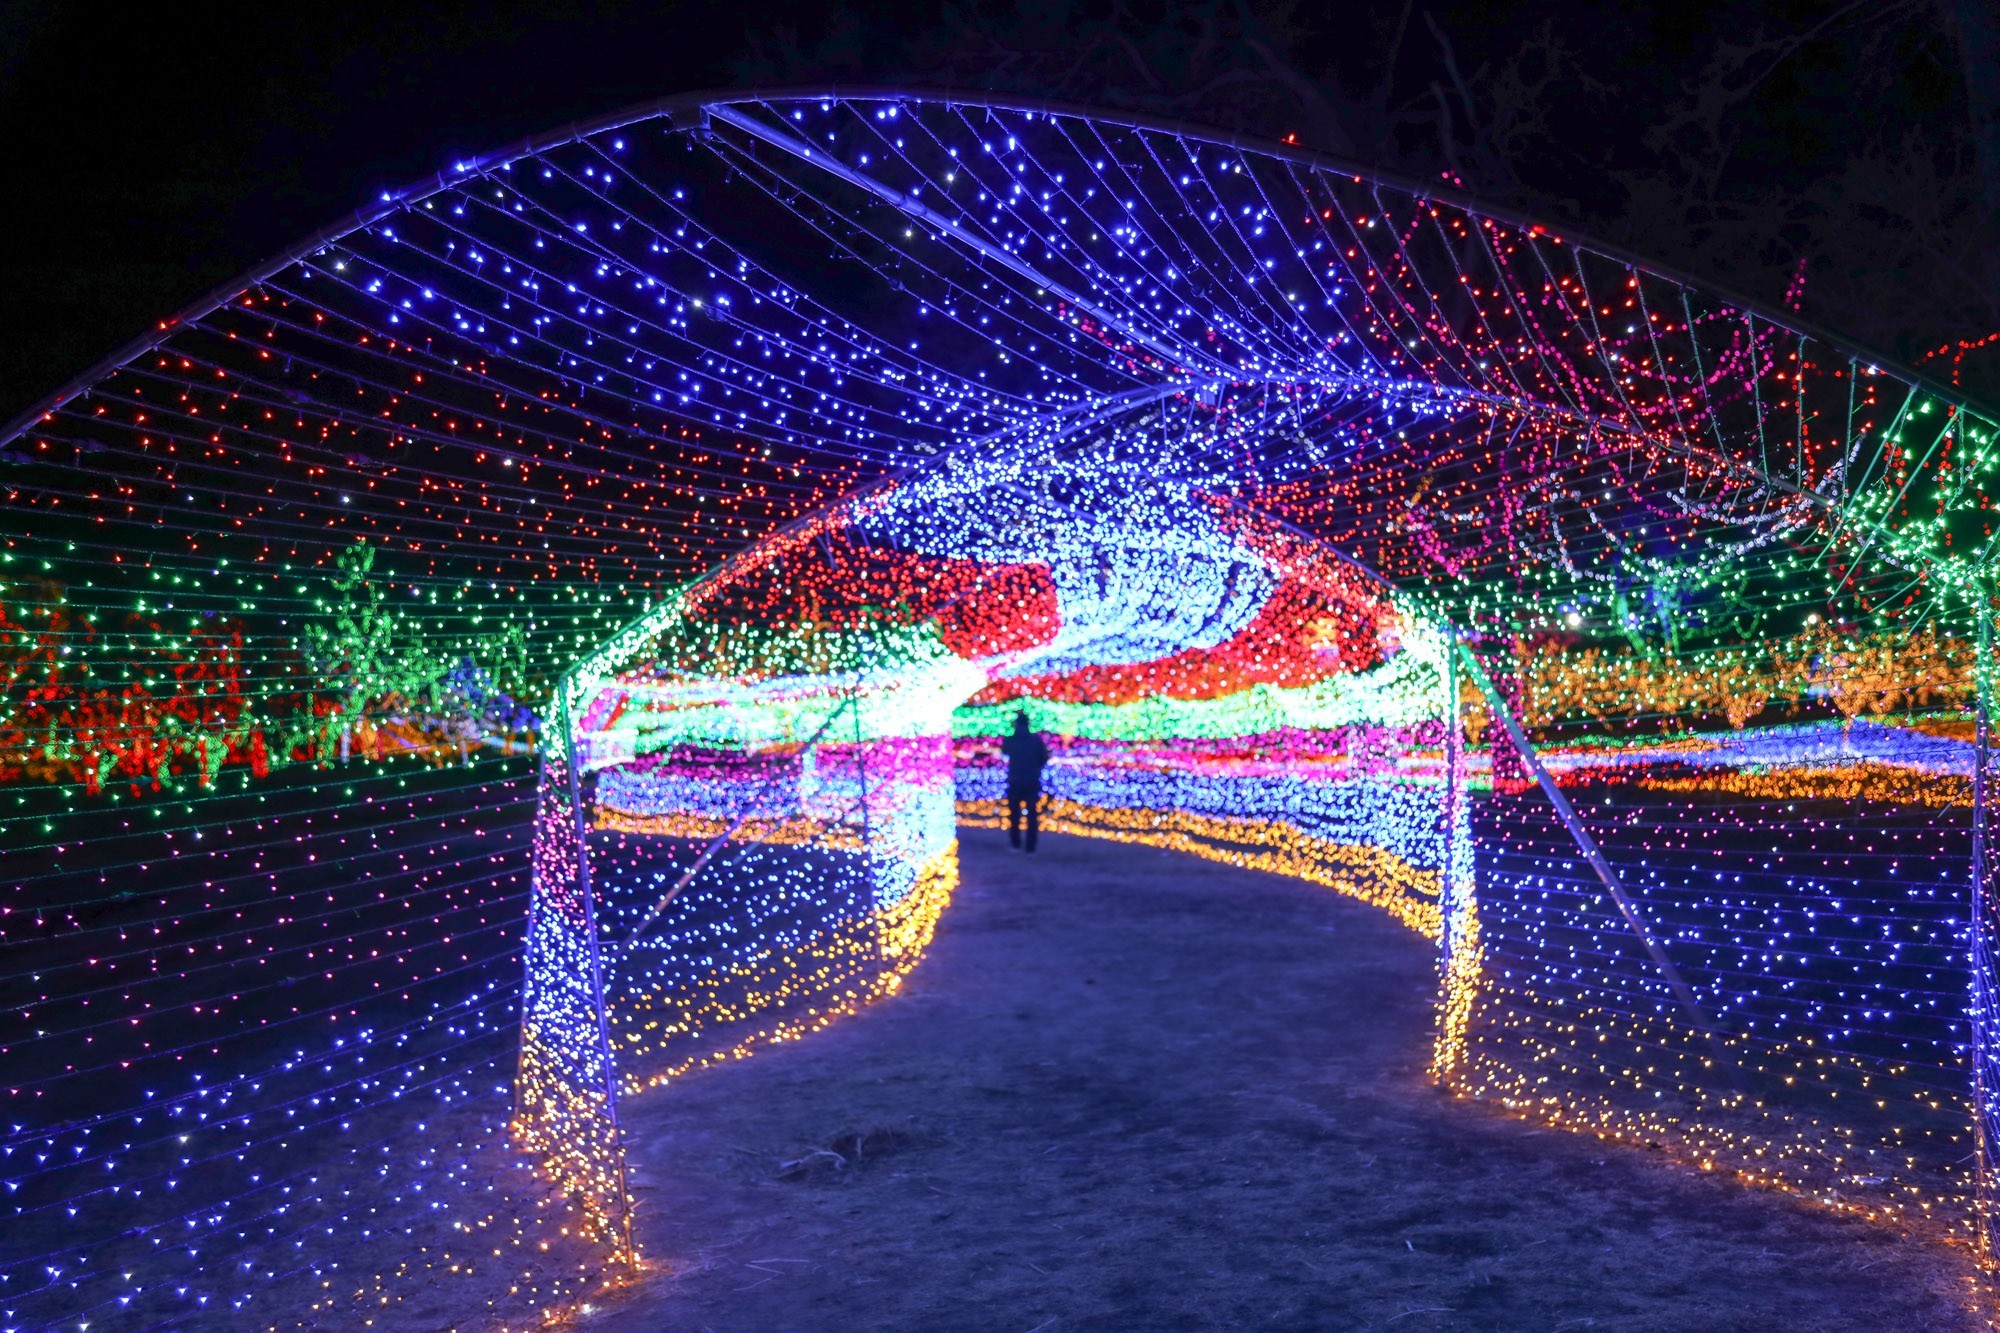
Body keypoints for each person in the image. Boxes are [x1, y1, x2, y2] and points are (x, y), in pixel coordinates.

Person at [999, 710, 1050, 852]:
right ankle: (1030, 847)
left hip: (1015, 780)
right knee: (1032, 816)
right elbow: (1044, 758)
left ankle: (1015, 844)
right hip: (1032, 781)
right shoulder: (1036, 740)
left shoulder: (1011, 740)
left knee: (1014, 815)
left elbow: (1004, 752)